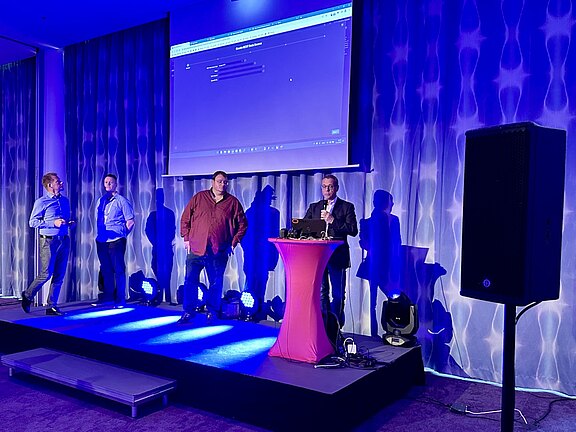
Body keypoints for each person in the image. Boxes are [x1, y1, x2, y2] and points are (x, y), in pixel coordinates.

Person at [178, 171, 248, 324]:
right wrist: (186, 238)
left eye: (225, 182)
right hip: (196, 248)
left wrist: (233, 242)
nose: (223, 184)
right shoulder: (199, 197)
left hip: (218, 250)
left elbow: (243, 225)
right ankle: (188, 311)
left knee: (216, 283)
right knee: (190, 281)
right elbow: (185, 218)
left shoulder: (233, 202)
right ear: (213, 182)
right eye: (220, 181)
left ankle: (212, 312)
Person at [305, 174, 358, 327]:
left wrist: (333, 220)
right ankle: (324, 327)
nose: (327, 189)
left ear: (336, 188)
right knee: (322, 293)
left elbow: (353, 230)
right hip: (318, 256)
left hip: (337, 256)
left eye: (330, 186)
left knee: (338, 294)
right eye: (324, 186)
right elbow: (303, 227)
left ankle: (336, 328)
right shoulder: (314, 207)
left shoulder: (346, 207)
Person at [21, 172, 73, 316]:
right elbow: (32, 222)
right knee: (46, 273)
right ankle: (28, 295)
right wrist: (52, 223)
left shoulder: (65, 200)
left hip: (64, 240)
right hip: (48, 241)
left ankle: (52, 305)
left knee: (59, 274)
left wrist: (69, 223)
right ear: (50, 185)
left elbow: (64, 219)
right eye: (58, 181)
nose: (61, 183)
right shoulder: (41, 202)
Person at [357, 190, 401, 336]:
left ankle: (385, 331)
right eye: (391, 201)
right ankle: (383, 332)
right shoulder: (372, 222)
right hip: (380, 265)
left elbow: (396, 244)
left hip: (381, 265)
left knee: (378, 301)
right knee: (379, 300)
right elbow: (365, 243)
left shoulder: (392, 220)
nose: (393, 204)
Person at [95, 174, 135, 307]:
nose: (107, 184)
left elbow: (130, 221)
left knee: (118, 269)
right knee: (105, 269)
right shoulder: (101, 201)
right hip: (102, 240)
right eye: (105, 182)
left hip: (116, 240)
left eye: (110, 182)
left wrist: (122, 234)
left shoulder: (122, 201)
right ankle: (108, 297)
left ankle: (120, 298)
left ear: (116, 184)